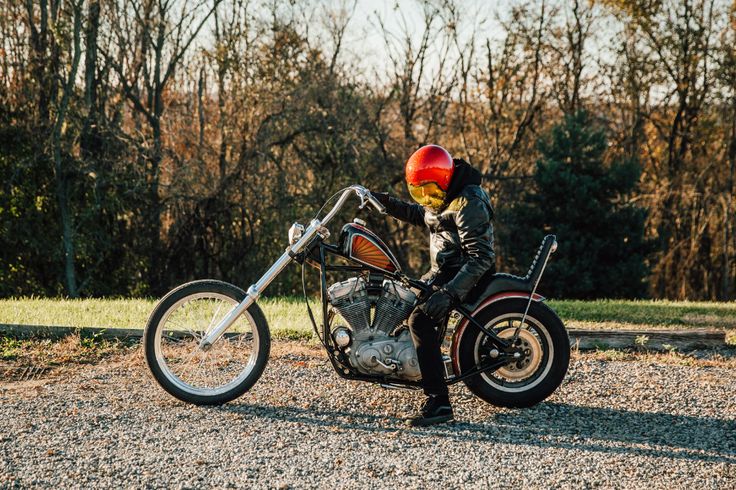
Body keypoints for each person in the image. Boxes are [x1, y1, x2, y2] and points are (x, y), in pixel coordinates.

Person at [372, 145, 496, 427]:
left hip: (464, 276)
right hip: (443, 272)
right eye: (420, 191)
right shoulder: (442, 197)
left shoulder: (468, 202)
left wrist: (449, 293)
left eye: (429, 190)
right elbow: (421, 215)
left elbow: (482, 258)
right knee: (398, 297)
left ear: (444, 178)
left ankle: (439, 402)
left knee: (420, 320)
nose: (427, 198)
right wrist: (384, 203)